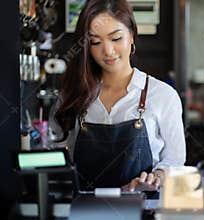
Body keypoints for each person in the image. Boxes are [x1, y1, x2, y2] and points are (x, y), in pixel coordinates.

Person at [51, 0, 185, 193]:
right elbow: (56, 155)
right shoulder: (71, 95)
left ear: (131, 36)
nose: (108, 51)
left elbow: (175, 161)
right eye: (96, 42)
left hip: (144, 208)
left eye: (115, 39)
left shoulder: (163, 95)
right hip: (85, 210)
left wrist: (156, 178)